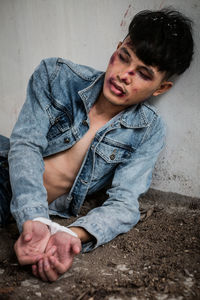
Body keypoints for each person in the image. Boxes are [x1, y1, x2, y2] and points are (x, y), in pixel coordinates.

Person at [0, 8, 194, 282]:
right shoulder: (56, 76)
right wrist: (35, 219)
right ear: (117, 49)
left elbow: (125, 204)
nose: (125, 74)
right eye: (124, 57)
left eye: (143, 74)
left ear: (161, 88)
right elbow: (25, 146)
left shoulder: (147, 130)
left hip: (46, 210)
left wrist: (69, 233)